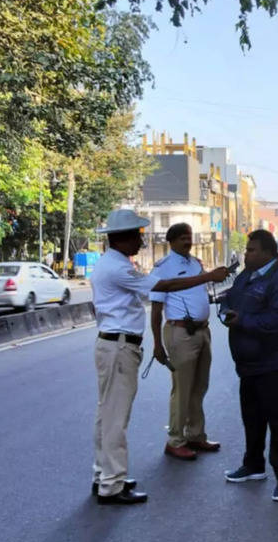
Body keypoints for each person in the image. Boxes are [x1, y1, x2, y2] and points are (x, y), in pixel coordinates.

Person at [90, 209, 229, 505]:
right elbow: (162, 287)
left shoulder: (113, 263)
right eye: (138, 236)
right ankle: (111, 486)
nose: (141, 242)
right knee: (115, 418)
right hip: (119, 347)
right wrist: (207, 277)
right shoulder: (118, 268)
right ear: (123, 238)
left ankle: (104, 475)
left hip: (115, 345)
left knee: (107, 415)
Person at [219, 230, 278, 503]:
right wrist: (225, 312)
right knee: (252, 419)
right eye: (247, 250)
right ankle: (253, 466)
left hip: (277, 364)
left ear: (268, 252)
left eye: (252, 250)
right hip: (249, 364)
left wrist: (241, 320)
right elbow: (230, 299)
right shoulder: (246, 276)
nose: (246, 254)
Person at [149, 223, 220, 461]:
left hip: (202, 331)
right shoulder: (162, 268)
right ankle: (175, 440)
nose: (187, 241)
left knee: (199, 387)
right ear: (171, 241)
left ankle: (196, 434)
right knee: (181, 389)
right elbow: (156, 309)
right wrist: (157, 344)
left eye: (189, 237)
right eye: (182, 238)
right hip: (180, 333)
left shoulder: (196, 263)